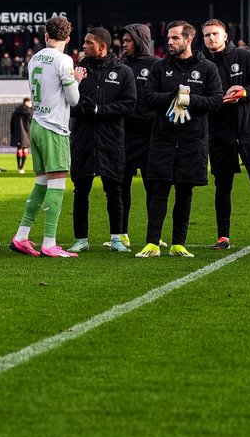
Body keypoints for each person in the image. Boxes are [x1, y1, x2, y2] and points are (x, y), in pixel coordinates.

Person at [136, 21, 223, 257]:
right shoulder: (159, 67)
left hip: (193, 141)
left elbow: (215, 101)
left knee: (185, 192)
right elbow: (148, 97)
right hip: (162, 139)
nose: (170, 42)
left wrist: (190, 99)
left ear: (188, 39)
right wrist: (174, 96)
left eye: (175, 38)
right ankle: (152, 242)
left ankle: (178, 243)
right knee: (159, 190)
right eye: (169, 38)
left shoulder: (207, 68)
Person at [201, 18, 250, 250]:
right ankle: (223, 237)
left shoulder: (243, 56)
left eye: (215, 34)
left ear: (225, 36)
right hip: (219, 133)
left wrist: (243, 91)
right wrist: (216, 100)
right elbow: (198, 97)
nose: (211, 38)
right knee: (222, 185)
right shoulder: (201, 62)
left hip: (249, 130)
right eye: (207, 35)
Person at [10, 15, 81, 258]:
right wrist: (77, 81)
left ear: (46, 35)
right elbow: (74, 100)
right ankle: (49, 242)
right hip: (54, 127)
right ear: (68, 38)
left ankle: (21, 236)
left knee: (41, 183)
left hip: (37, 124)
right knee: (57, 183)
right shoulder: (64, 60)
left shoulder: (34, 58)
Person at [68, 27, 136, 253]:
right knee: (81, 190)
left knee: (114, 190)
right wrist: (83, 106)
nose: (83, 46)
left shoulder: (123, 71)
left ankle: (116, 238)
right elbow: (68, 102)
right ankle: (81, 239)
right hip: (83, 139)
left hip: (111, 140)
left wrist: (100, 110)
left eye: (88, 43)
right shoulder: (76, 71)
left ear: (102, 46)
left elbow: (129, 104)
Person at [120, 23, 161, 248]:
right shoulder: (120, 64)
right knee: (121, 186)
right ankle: (121, 233)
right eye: (123, 40)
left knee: (152, 187)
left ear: (139, 40)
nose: (124, 44)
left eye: (128, 40)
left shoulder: (156, 65)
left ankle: (154, 235)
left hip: (150, 135)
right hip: (124, 135)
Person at [9, 97, 33, 173]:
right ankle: (21, 167)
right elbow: (32, 121)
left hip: (17, 133)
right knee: (25, 149)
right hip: (27, 133)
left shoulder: (16, 111)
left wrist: (13, 132)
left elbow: (11, 123)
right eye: (30, 102)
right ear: (27, 102)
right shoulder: (29, 111)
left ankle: (19, 167)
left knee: (19, 149)